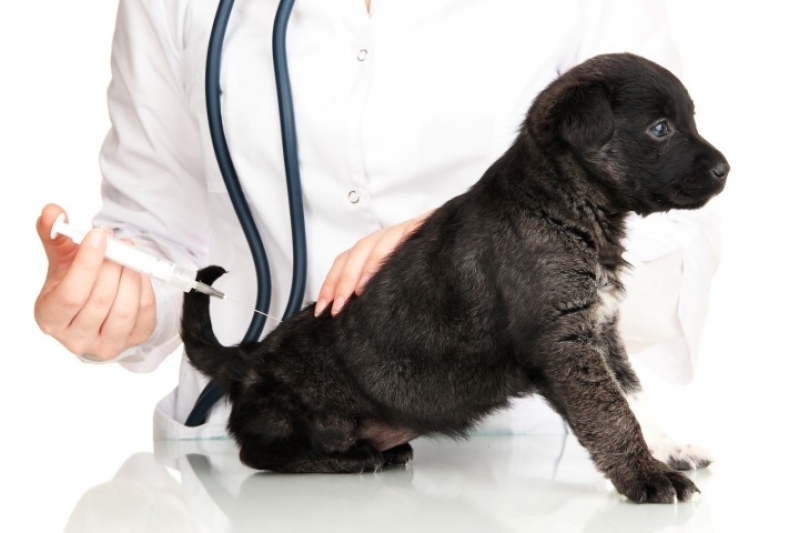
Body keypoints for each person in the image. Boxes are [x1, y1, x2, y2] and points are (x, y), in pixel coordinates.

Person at [34, 0, 721, 440]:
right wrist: (112, 304)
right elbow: (155, 237)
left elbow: (669, 227)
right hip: (268, 447)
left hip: (518, 461)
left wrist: (481, 244)